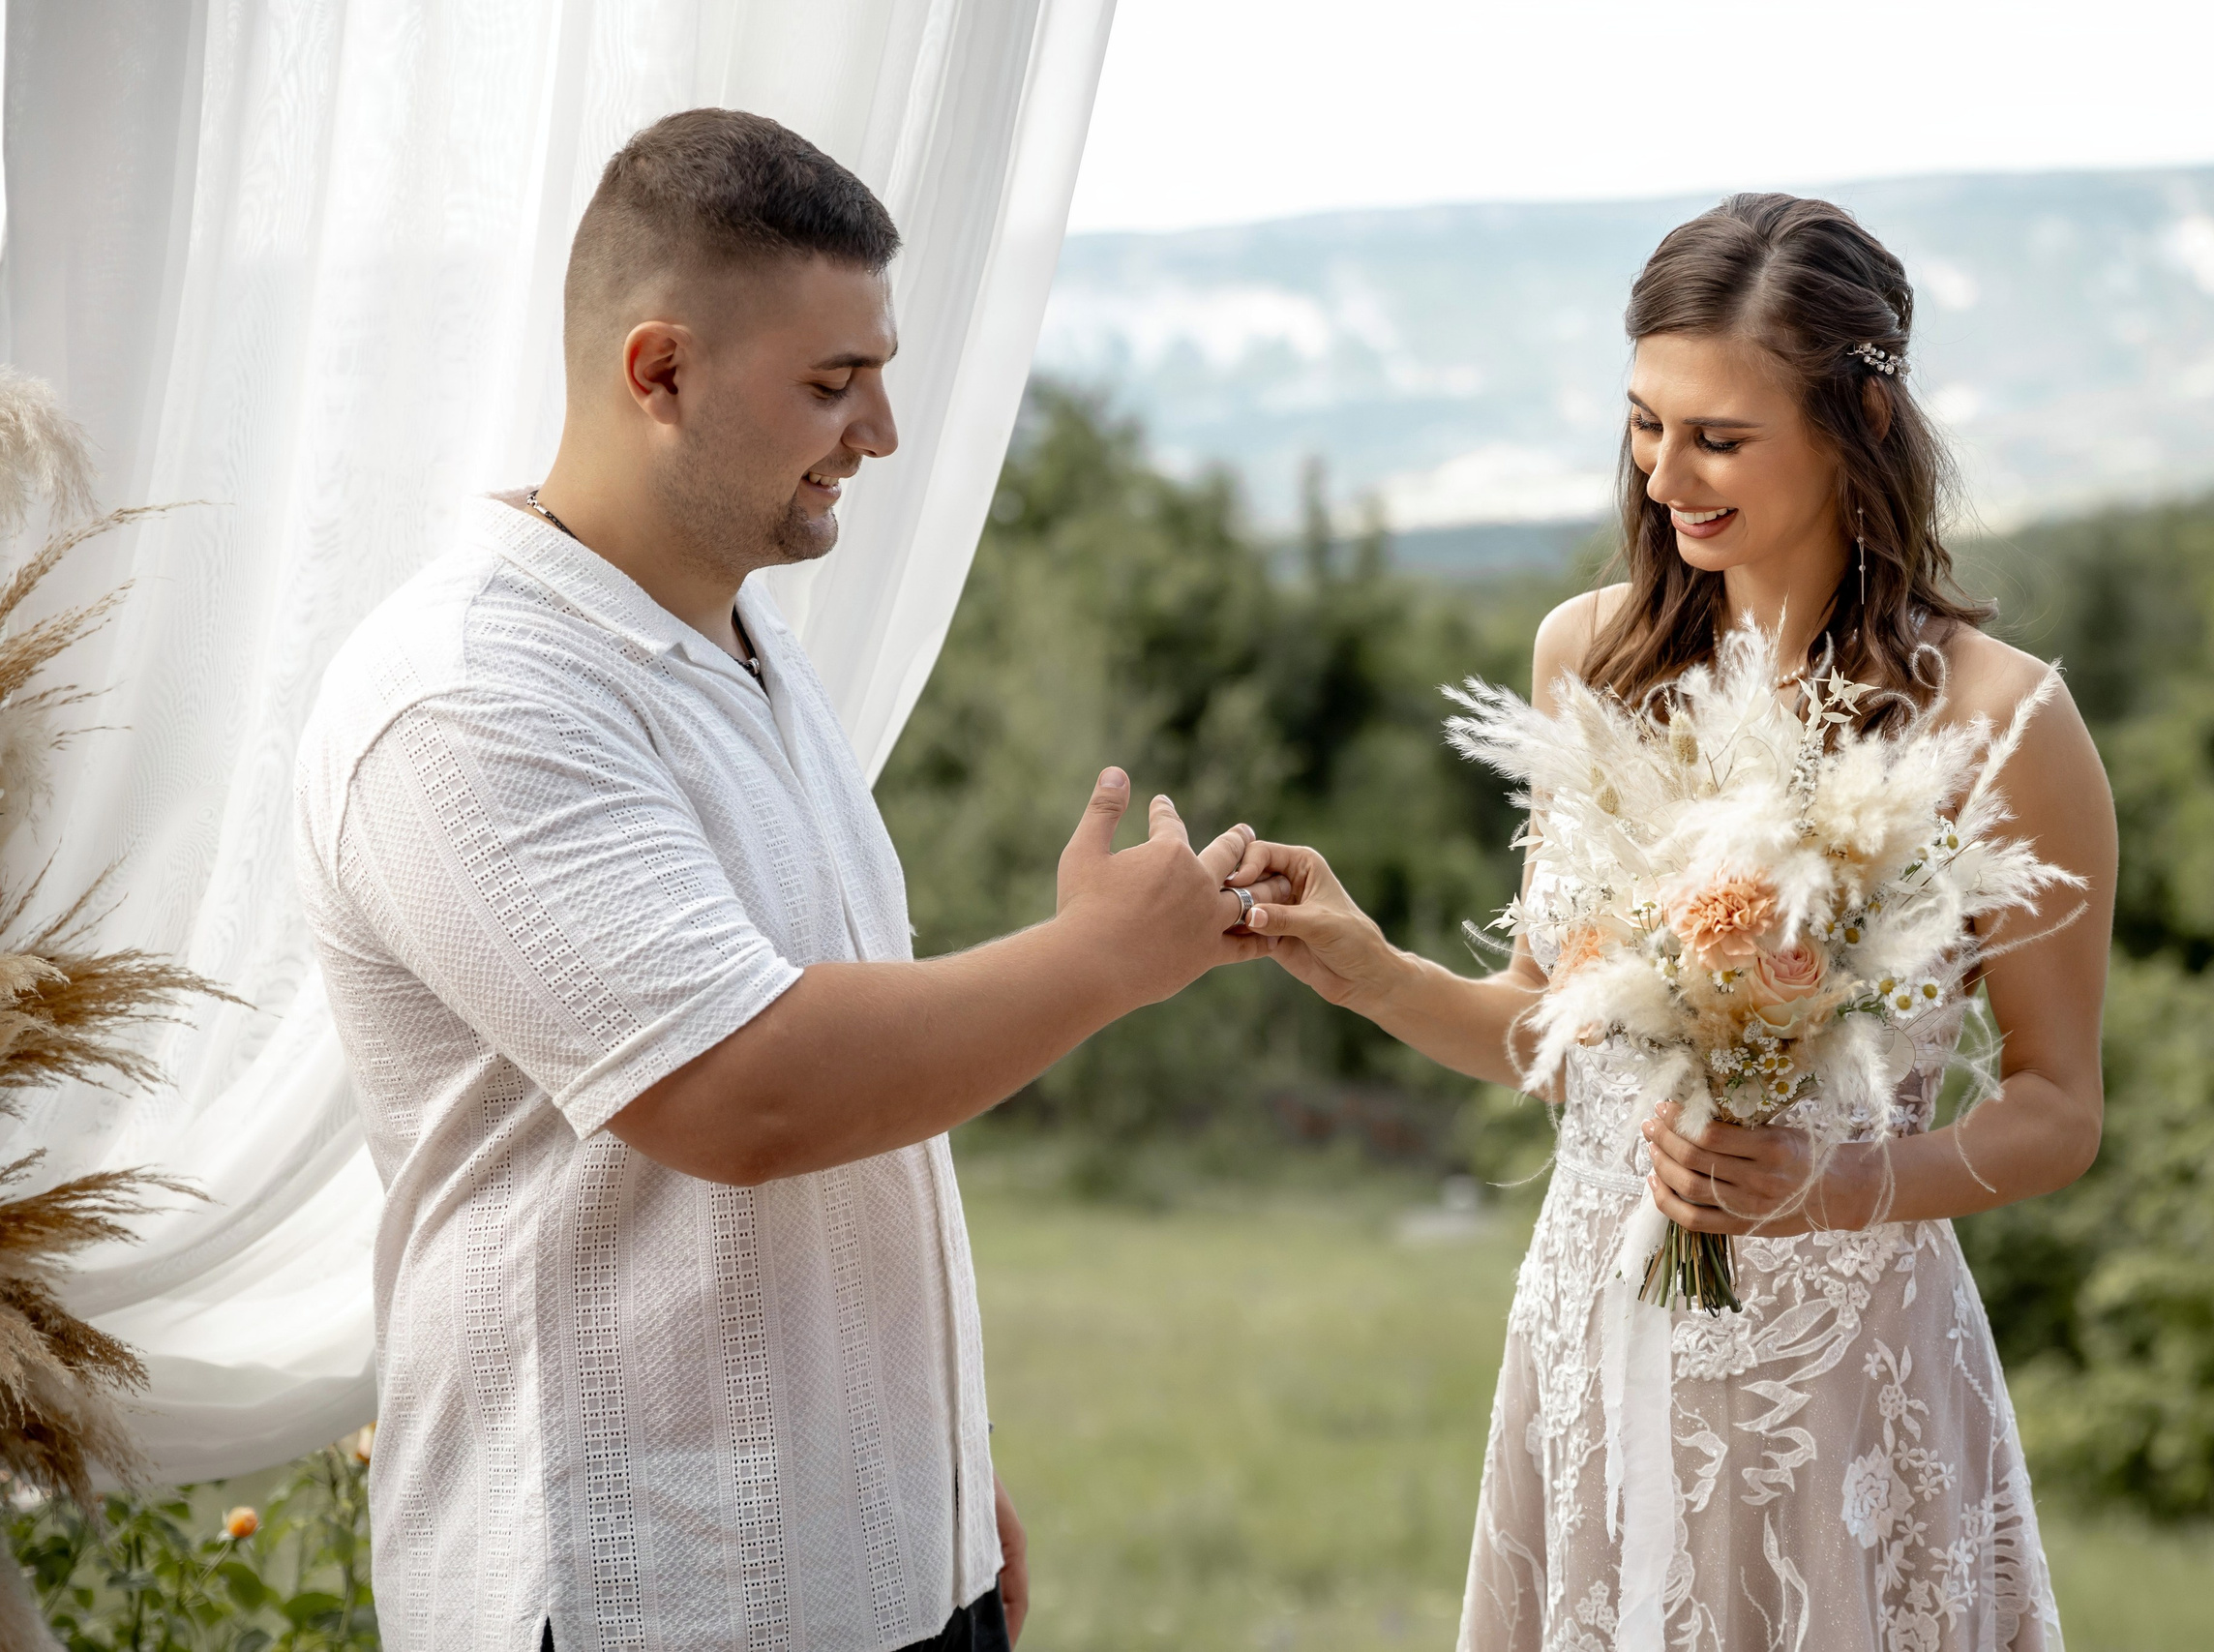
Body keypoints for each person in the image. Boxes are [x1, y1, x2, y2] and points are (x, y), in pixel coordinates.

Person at [294, 108, 1281, 1652]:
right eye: (834, 383)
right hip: (643, 1593)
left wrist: (934, 1464)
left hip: (879, 1559)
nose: (879, 432)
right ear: (660, 371)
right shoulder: (470, 693)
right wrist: (1104, 958)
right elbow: (745, 1094)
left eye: (878, 374)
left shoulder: (750, 650)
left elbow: (857, 1076)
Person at [1229, 195, 2110, 1650]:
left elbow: (2058, 1110)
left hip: (1839, 1390)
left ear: (1863, 421)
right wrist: (1370, 968)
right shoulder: (1588, 653)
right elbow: (1552, 1027)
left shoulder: (2005, 721)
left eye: (1718, 436)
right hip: (1593, 1330)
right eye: (1646, 425)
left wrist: (1827, 1187)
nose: (1667, 475)